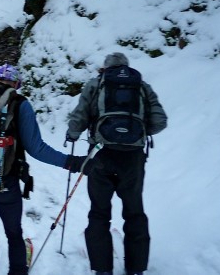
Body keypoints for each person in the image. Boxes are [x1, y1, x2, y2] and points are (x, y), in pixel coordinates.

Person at [0, 64, 89, 275]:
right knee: (13, 233)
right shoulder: (19, 104)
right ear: (16, 84)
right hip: (4, 184)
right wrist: (72, 162)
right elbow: (37, 148)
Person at [66, 52, 167, 275]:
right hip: (132, 158)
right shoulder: (141, 86)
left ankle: (102, 269)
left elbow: (80, 116)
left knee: (99, 212)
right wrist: (138, 133)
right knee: (134, 212)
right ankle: (136, 268)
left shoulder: (96, 84)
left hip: (101, 155)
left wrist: (72, 134)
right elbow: (160, 121)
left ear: (105, 67)